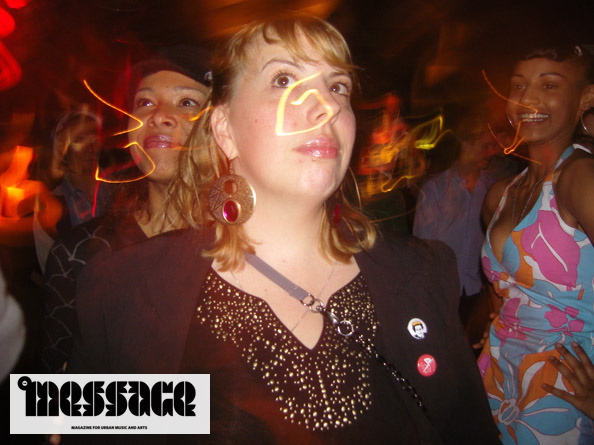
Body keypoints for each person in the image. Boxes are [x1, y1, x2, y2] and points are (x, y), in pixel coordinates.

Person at [68, 14, 498, 444]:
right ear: (225, 130)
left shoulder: (421, 276)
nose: (326, 105)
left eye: (338, 86)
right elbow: (73, 422)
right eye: (283, 79)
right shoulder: (133, 288)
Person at [41, 48, 212, 373]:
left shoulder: (245, 247)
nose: (158, 115)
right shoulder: (79, 252)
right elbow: (52, 393)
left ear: (220, 128)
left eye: (187, 102)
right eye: (145, 102)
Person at [478, 39, 594, 443]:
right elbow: (502, 292)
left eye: (549, 85)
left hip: (563, 389)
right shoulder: (501, 194)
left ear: (586, 98)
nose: (527, 99)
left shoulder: (580, 179)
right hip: (497, 372)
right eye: (519, 85)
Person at [413, 116, 500, 329]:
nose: (491, 152)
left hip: (478, 293)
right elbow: (421, 248)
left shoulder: (493, 190)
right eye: (485, 146)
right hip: (441, 291)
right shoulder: (436, 188)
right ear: (466, 145)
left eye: (492, 146)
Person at [33, 107, 107, 272]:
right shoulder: (52, 205)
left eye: (94, 137)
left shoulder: (121, 189)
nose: (90, 147)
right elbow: (53, 269)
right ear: (62, 148)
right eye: (79, 139)